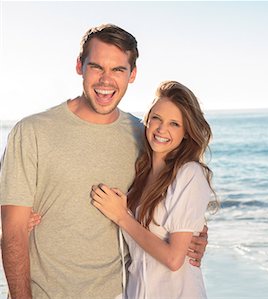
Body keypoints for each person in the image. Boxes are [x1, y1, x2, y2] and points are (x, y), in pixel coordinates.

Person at [0, 24, 208, 299]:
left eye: (118, 70)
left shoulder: (142, 135)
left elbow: (173, 198)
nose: (105, 80)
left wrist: (197, 235)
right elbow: (12, 231)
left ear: (132, 74)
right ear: (79, 66)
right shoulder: (32, 132)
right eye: (97, 67)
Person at [91, 80, 217, 299]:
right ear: (147, 121)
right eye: (156, 118)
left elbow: (174, 259)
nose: (161, 129)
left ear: (187, 132)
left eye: (174, 124)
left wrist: (122, 217)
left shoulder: (189, 174)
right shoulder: (140, 174)